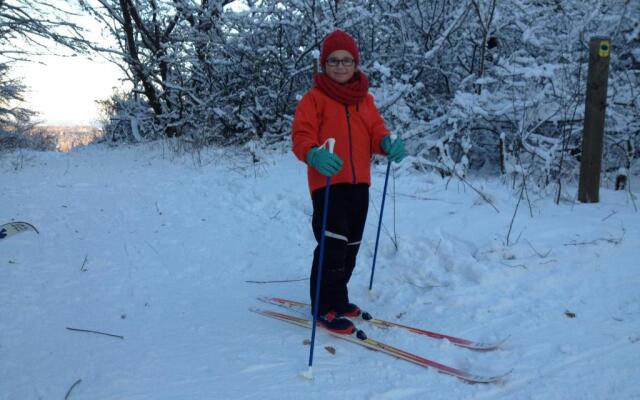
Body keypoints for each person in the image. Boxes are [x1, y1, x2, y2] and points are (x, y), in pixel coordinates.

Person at [291, 29, 405, 334]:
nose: (340, 66)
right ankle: (323, 306)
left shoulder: (365, 101)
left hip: (359, 184)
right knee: (332, 246)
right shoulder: (314, 100)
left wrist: (388, 144)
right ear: (324, 65)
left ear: (355, 63)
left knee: (351, 246)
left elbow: (377, 134)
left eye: (346, 60)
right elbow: (301, 136)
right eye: (333, 61)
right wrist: (313, 154)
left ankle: (338, 300)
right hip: (328, 184)